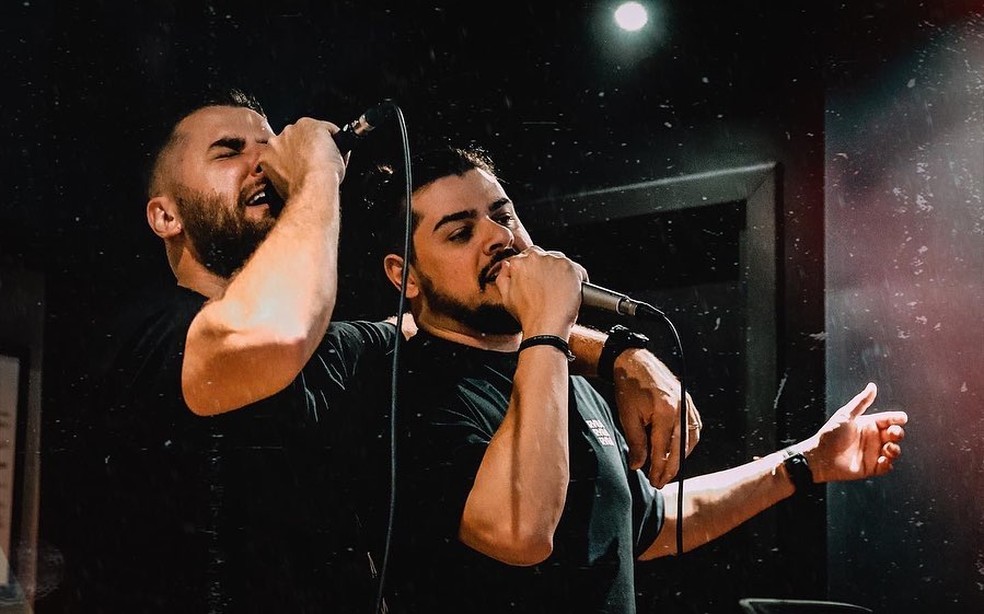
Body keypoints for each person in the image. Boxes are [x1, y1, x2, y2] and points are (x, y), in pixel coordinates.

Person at [74, 89, 697, 613]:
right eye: (229, 150)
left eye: (269, 144)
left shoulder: (337, 349)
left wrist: (621, 355)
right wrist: (319, 171)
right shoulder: (151, 334)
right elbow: (271, 333)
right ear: (165, 216)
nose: (263, 160)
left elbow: (454, 324)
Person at [364, 144, 909, 613]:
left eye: (503, 214)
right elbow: (520, 533)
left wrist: (805, 463)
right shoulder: (406, 394)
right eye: (461, 233)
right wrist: (548, 325)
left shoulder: (563, 377)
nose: (498, 236)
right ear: (404, 275)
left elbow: (650, 523)